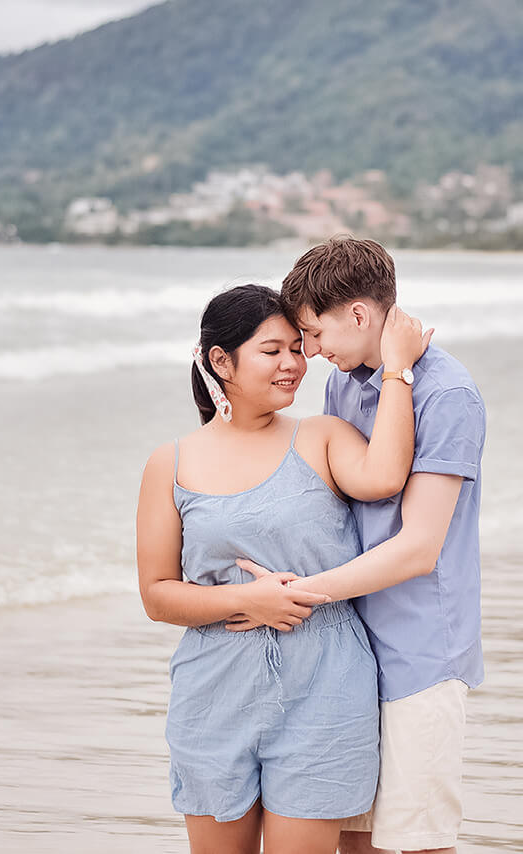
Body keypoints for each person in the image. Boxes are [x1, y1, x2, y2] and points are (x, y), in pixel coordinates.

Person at [136, 283, 434, 854]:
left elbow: (386, 476)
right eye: (273, 351)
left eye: (298, 348)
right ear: (221, 361)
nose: (294, 364)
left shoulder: (320, 436)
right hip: (214, 688)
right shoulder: (169, 462)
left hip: (325, 683)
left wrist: (397, 370)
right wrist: (248, 601)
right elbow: (157, 594)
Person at [240, 237, 486, 854]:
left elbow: (418, 548)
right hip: (348, 652)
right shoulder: (346, 386)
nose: (312, 352)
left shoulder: (447, 394)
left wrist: (301, 593)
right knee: (354, 840)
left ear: (357, 314)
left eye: (315, 333)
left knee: (420, 842)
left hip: (420, 652)